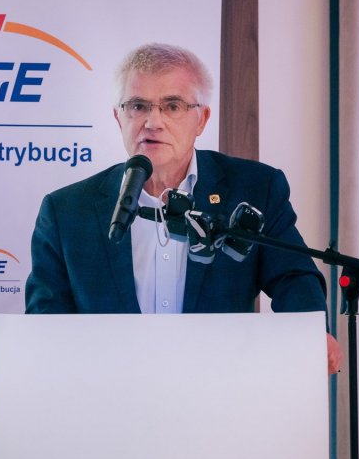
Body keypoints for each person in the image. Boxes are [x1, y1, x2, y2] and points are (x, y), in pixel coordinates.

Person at [25, 43, 342, 374]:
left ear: (201, 119)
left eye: (172, 106)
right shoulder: (66, 211)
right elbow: (46, 321)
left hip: (219, 387)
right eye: (138, 106)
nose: (153, 122)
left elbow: (293, 277)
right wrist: (33, 360)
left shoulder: (254, 189)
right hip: (108, 391)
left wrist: (308, 337)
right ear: (118, 117)